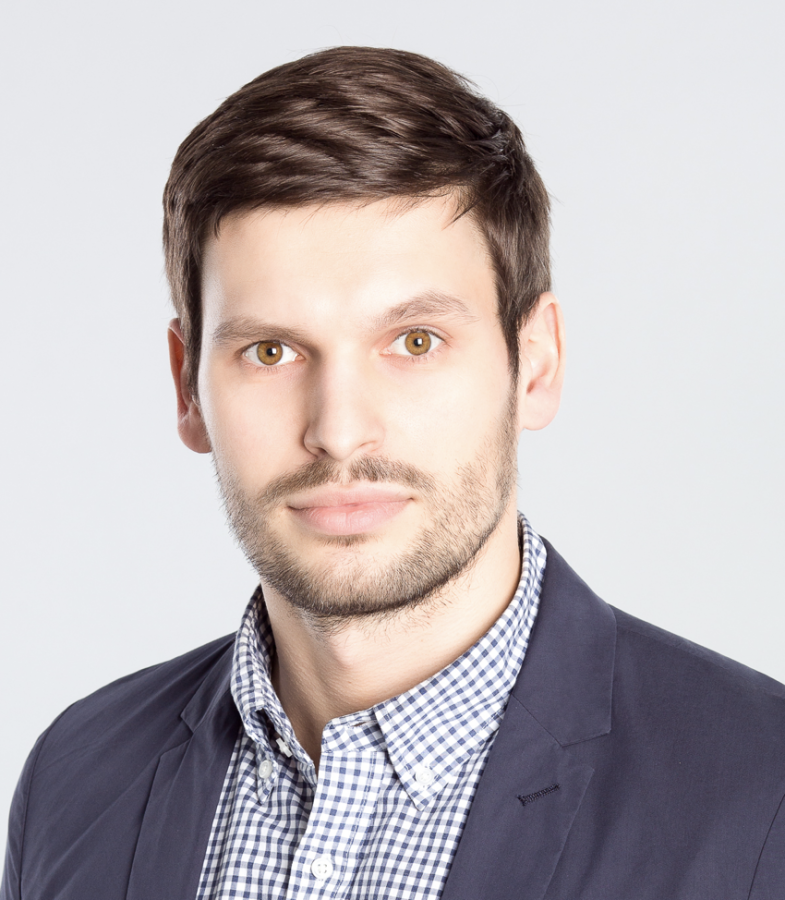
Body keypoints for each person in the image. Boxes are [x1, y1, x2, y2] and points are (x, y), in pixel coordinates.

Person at [2, 45, 784, 900]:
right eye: (270, 351)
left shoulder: (760, 795)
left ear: (534, 364)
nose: (338, 432)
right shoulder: (75, 780)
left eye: (414, 342)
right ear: (188, 387)